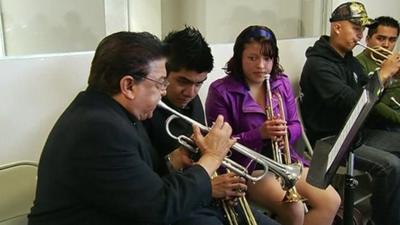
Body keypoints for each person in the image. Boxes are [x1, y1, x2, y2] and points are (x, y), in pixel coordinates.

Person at [28, 31, 238, 225]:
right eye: (159, 83)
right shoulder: (98, 128)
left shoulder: (112, 113)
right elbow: (159, 208)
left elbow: (137, 183)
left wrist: (171, 163)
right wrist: (211, 157)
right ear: (128, 86)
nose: (163, 92)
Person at [205, 25, 341, 225]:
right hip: (249, 168)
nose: (261, 65)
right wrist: (259, 134)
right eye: (252, 58)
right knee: (294, 209)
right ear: (239, 58)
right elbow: (219, 145)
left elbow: (296, 125)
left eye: (267, 59)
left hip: (286, 163)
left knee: (331, 201)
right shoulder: (221, 91)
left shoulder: (281, 83)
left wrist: (285, 132)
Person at [143, 26, 280, 225]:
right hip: (179, 207)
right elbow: (150, 190)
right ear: (164, 73)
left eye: (199, 83)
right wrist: (208, 186)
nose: (191, 92)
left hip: (205, 196)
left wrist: (224, 181)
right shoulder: (145, 109)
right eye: (183, 81)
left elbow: (201, 157)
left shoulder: (193, 101)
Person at [299, 2, 400, 225]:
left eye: (362, 30)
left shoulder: (350, 61)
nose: (360, 35)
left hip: (356, 132)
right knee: (391, 165)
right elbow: (352, 102)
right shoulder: (318, 64)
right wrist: (381, 75)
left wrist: (389, 79)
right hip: (332, 142)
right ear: (337, 28)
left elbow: (371, 100)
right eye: (356, 28)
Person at [356, 16, 400, 131]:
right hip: (379, 125)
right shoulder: (358, 64)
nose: (386, 45)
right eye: (380, 38)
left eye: (392, 40)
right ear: (368, 39)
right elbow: (370, 102)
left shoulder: (396, 61)